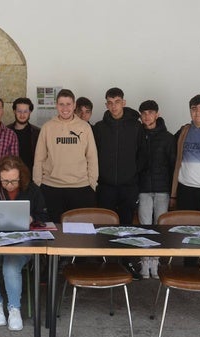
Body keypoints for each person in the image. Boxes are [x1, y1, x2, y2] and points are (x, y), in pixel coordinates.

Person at [0, 155, 47, 330]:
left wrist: (31, 217)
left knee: (10, 267)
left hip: (20, 242)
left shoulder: (32, 190)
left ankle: (14, 308)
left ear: (21, 177)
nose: (9, 185)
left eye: (13, 181)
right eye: (5, 181)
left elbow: (44, 216)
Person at [93, 87, 143, 279]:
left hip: (128, 185)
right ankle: (103, 261)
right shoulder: (99, 127)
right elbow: (93, 154)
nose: (114, 106)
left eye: (117, 102)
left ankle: (127, 261)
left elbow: (141, 154)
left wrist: (132, 174)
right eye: (110, 102)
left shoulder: (135, 127)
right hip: (105, 185)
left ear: (123, 102)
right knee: (104, 224)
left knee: (126, 226)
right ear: (106, 105)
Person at [33, 88, 98, 223]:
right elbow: (39, 158)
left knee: (79, 236)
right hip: (51, 187)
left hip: (80, 188)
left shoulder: (85, 127)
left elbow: (92, 157)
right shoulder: (47, 127)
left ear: (74, 106)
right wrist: (38, 183)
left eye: (68, 104)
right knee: (54, 231)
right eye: (61, 104)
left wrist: (92, 183)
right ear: (56, 106)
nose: (65, 108)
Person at [136, 100, 176, 279]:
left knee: (159, 227)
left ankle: (155, 261)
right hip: (143, 188)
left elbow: (173, 164)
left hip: (162, 190)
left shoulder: (168, 137)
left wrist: (173, 192)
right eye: (143, 113)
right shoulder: (137, 134)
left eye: (150, 112)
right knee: (145, 227)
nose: (147, 116)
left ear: (157, 114)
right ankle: (144, 262)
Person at [6, 97, 40, 173]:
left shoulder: (37, 133)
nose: (22, 115)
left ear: (30, 112)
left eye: (25, 111)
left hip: (32, 178)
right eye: (19, 111)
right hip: (10, 176)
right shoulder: (5, 131)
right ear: (14, 111)